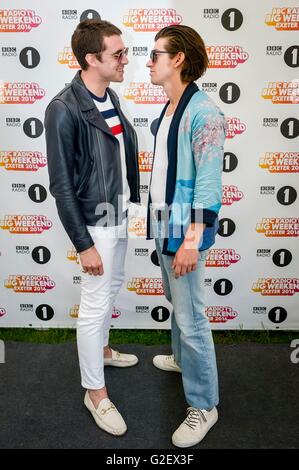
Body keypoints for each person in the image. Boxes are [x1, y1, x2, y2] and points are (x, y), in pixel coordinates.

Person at [44, 19, 140, 437]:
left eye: (124, 52)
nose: (125, 60)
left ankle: (101, 351)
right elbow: (62, 186)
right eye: (117, 54)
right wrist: (84, 244)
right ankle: (95, 393)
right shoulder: (63, 108)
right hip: (94, 222)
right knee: (95, 304)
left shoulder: (110, 96)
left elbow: (118, 159)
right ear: (91, 59)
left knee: (113, 285)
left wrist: (134, 208)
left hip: (119, 214)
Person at [146, 25, 226, 447]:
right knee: (176, 305)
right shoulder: (170, 108)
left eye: (155, 54)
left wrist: (191, 241)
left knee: (192, 318)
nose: (148, 61)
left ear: (178, 59)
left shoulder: (204, 112)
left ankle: (204, 404)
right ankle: (182, 361)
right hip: (164, 225)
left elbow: (210, 185)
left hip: (183, 231)